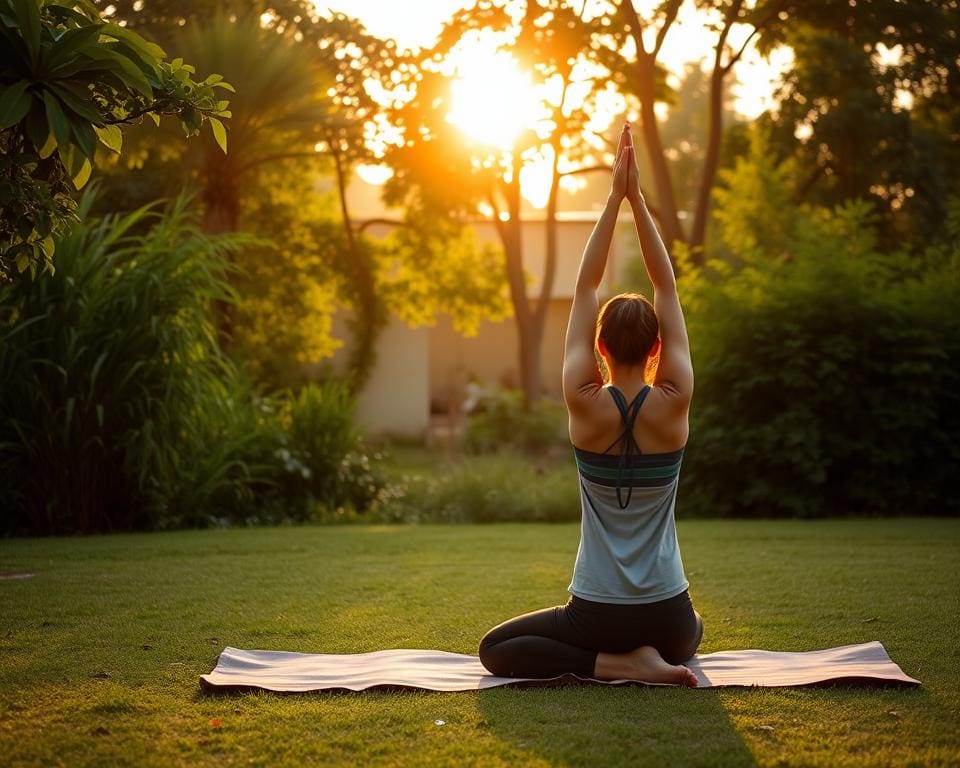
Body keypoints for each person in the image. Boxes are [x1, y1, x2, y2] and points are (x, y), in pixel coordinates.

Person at [478, 123, 702, 687]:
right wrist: (638, 201)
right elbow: (666, 288)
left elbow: (585, 289)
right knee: (694, 627)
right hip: (671, 618)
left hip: (597, 614)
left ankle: (618, 664)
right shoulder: (674, 402)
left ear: (599, 347)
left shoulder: (583, 401)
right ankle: (652, 656)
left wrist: (613, 200)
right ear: (658, 349)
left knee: (497, 648)